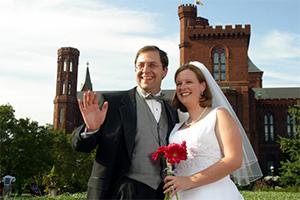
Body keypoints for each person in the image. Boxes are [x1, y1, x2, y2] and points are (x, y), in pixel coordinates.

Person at [71, 45, 178, 199]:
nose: (145, 70)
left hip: (160, 193)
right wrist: (91, 129)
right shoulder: (112, 102)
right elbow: (80, 146)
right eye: (140, 65)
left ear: (165, 71)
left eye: (152, 65)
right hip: (119, 192)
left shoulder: (172, 111)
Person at [163, 62, 262, 200]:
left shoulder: (219, 115)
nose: (182, 87)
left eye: (189, 82)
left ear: (203, 86)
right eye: (178, 83)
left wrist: (190, 180)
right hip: (181, 194)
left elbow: (233, 160)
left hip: (214, 192)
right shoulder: (177, 127)